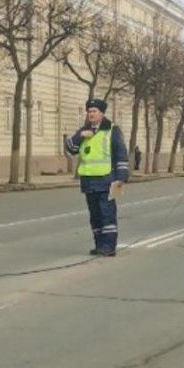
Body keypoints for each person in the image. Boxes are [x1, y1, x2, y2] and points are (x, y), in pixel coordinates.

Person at [65, 99, 129, 256]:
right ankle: (99, 244)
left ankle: (109, 246)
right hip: (88, 181)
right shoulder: (84, 130)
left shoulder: (112, 130)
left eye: (94, 111)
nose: (91, 114)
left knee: (107, 214)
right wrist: (81, 136)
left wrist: (121, 177)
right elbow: (71, 148)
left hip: (106, 179)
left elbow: (121, 154)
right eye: (89, 111)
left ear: (102, 113)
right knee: (95, 216)